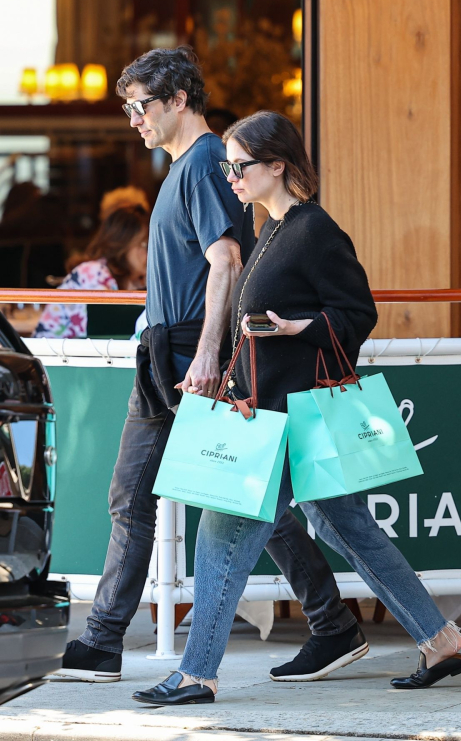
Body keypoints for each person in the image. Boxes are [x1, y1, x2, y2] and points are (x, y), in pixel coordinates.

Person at [132, 111, 461, 706]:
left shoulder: (314, 231)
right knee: (354, 532)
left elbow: (357, 313)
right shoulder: (271, 230)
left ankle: (196, 675)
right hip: (278, 414)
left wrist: (302, 325)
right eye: (227, 167)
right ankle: (440, 639)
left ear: (277, 166)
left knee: (219, 534)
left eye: (240, 167)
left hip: (291, 419)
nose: (231, 177)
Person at [55, 47, 364, 685]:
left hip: (191, 353)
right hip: (175, 351)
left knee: (159, 497)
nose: (133, 118)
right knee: (237, 499)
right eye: (128, 107)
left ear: (177, 101)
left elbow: (225, 259)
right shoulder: (189, 167)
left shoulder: (201, 165)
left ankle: (103, 642)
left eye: (141, 105)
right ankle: (332, 623)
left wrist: (202, 356)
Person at [32, 205, 149, 339]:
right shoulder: (92, 272)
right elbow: (104, 329)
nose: (151, 252)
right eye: (144, 244)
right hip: (50, 355)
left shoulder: (135, 282)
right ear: (122, 244)